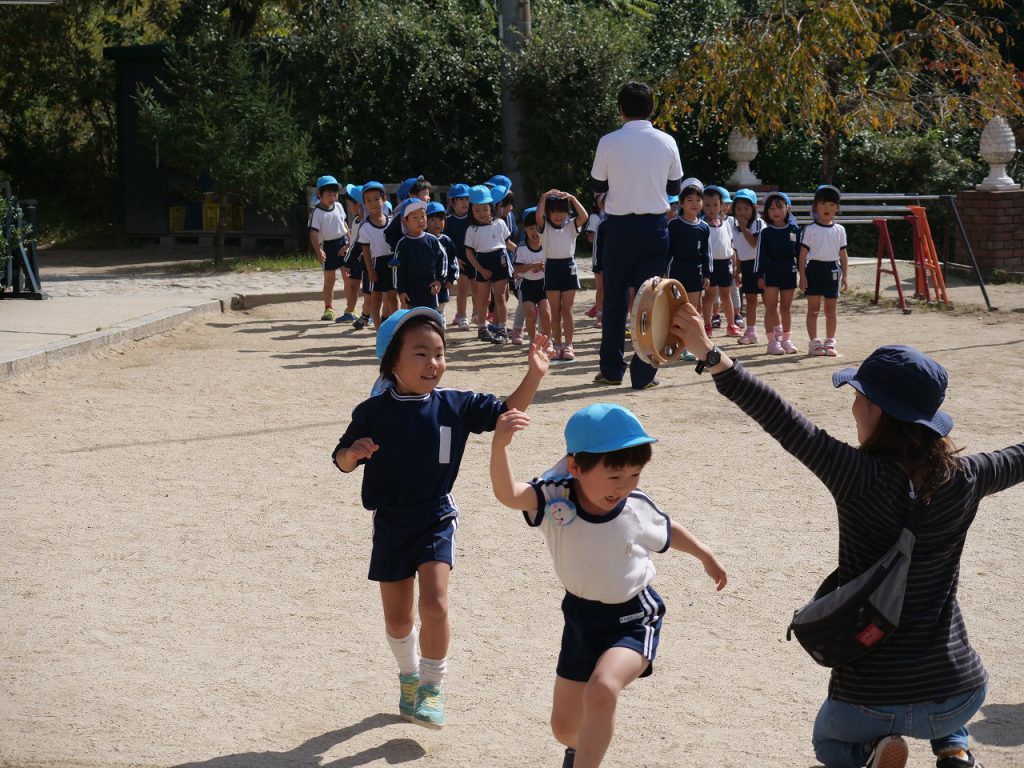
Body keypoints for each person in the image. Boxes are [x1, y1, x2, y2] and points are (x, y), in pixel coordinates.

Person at [670, 301, 1023, 768]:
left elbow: (781, 418)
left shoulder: (856, 475)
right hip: (960, 693)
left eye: (857, 396)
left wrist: (710, 353)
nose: (854, 407)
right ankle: (954, 748)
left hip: (869, 698)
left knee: (831, 742)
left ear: (876, 409)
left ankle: (873, 752)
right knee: (935, 688)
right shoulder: (968, 477)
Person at [332, 308, 550, 730]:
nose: (432, 363)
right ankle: (409, 677)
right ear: (392, 361)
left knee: (434, 604)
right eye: (420, 354)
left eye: (439, 353)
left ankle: (432, 687)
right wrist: (352, 454)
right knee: (398, 620)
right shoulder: (372, 412)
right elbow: (340, 460)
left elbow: (506, 411)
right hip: (391, 521)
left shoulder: (456, 405)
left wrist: (534, 374)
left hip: (436, 515)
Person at [489, 402, 727, 768]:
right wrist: (499, 447)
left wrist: (705, 555)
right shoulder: (554, 496)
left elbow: (667, 530)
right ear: (575, 467)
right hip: (580, 618)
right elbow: (509, 494)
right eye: (614, 476)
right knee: (566, 728)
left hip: (633, 617)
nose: (625, 486)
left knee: (603, 688)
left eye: (634, 475)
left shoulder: (635, 506)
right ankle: (579, 750)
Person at [590, 81, 684, 389]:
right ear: (652, 108)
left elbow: (597, 184)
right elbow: (674, 187)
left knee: (615, 300)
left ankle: (611, 369)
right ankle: (643, 375)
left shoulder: (608, 141)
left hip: (618, 228)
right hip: (655, 228)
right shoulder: (667, 141)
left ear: (620, 109)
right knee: (651, 301)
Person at [537, 189, 587, 361]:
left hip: (568, 268)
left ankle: (569, 345)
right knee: (555, 311)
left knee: (567, 309)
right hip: (552, 268)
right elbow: (538, 216)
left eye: (562, 211)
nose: (558, 215)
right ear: (548, 212)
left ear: (567, 212)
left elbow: (584, 216)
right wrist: (544, 197)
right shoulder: (544, 228)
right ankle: (557, 345)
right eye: (554, 211)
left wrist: (572, 198)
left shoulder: (571, 226)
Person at [800, 184, 849, 357]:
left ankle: (830, 341)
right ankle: (814, 342)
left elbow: (843, 255)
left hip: (832, 270)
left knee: (831, 311)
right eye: (823, 204)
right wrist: (802, 276)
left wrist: (845, 276)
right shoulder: (810, 229)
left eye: (831, 204)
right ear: (816, 207)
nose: (827, 208)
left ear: (837, 208)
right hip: (814, 269)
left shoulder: (840, 230)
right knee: (813, 309)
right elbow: (802, 255)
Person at [464, 184, 518, 344]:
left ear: (491, 208)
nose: (481, 213)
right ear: (471, 210)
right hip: (482, 263)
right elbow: (469, 253)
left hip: (500, 262)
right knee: (483, 299)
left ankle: (502, 329)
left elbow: (508, 243)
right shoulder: (471, 230)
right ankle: (482, 328)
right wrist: (481, 269)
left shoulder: (500, 223)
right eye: (477, 210)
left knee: (500, 297)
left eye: (484, 209)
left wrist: (523, 253)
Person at [666, 178, 710, 362]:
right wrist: (662, 273)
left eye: (698, 200)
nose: (694, 204)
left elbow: (706, 253)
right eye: (690, 200)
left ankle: (687, 347)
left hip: (695, 273)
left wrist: (707, 274)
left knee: (691, 310)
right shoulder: (673, 224)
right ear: (681, 203)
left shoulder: (704, 227)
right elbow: (666, 251)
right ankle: (669, 344)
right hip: (675, 273)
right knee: (672, 310)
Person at [754, 191, 800, 355]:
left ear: (788, 208)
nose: (776, 212)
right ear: (767, 211)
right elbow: (760, 255)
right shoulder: (765, 232)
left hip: (789, 272)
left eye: (779, 207)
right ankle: (772, 342)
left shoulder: (795, 230)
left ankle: (786, 339)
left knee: (786, 308)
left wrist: (803, 274)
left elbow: (800, 254)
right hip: (771, 273)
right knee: (771, 307)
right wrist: (759, 275)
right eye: (772, 208)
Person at [355, 181, 398, 330]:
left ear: (384, 199)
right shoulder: (365, 226)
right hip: (375, 264)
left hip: (392, 263)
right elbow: (365, 251)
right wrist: (370, 271)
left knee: (392, 298)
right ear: (364, 204)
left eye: (376, 199)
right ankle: (379, 330)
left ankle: (395, 327)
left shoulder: (392, 222)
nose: (373, 203)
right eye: (368, 200)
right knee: (376, 298)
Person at [700, 185, 740, 338]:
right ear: (702, 205)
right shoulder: (702, 225)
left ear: (721, 205)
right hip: (710, 265)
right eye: (707, 205)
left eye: (715, 204)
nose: (712, 209)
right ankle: (707, 325)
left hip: (725, 264)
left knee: (726, 295)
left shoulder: (726, 223)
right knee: (709, 296)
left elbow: (731, 247)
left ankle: (731, 325)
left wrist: (734, 266)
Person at [308, 175, 349, 322]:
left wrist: (349, 241)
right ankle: (328, 308)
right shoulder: (317, 212)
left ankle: (350, 308)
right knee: (330, 279)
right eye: (329, 193)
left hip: (342, 244)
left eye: (335, 193)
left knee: (348, 276)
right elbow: (313, 233)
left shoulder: (339, 207)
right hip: (328, 246)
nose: (333, 196)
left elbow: (344, 224)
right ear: (320, 194)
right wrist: (318, 251)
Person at [394, 199, 448, 310]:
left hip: (430, 290)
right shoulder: (402, 244)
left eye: (423, 216)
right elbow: (397, 269)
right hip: (410, 292)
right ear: (405, 220)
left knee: (430, 317)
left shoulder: (432, 240)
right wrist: (401, 290)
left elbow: (443, 259)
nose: (420, 220)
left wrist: (439, 280)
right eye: (415, 217)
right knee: (413, 318)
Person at [513, 206, 553, 350]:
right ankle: (533, 341)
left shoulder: (548, 245)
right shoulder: (522, 248)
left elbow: (554, 265)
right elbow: (516, 269)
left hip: (544, 285)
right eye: (531, 228)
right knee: (530, 313)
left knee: (545, 313)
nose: (534, 232)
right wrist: (531, 266)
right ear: (525, 229)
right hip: (528, 285)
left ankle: (547, 341)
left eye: (537, 228)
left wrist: (545, 268)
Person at [730, 188, 763, 345]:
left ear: (753, 208)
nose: (742, 212)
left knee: (768, 300)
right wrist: (738, 270)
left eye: (746, 208)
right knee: (750, 299)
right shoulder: (734, 226)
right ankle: (751, 332)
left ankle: (776, 332)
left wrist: (744, 228)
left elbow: (754, 243)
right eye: (738, 209)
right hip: (747, 265)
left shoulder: (758, 223)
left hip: (761, 264)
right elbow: (738, 250)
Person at [445, 183, 474, 330]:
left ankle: (477, 314)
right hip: (459, 260)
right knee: (462, 288)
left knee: (477, 288)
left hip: (474, 259)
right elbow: (446, 243)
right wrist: (454, 258)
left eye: (467, 199)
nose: (465, 202)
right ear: (453, 202)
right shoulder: (448, 221)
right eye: (461, 199)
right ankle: (462, 315)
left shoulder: (473, 218)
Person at [426, 201, 459, 321]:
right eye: (432, 220)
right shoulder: (423, 239)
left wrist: (451, 278)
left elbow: (452, 260)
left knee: (440, 306)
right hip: (426, 282)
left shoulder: (446, 241)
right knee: (427, 309)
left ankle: (440, 324)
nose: (437, 223)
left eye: (440, 220)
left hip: (443, 282)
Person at [583, 193, 606, 325]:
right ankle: (599, 315)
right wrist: (601, 234)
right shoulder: (595, 217)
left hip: (613, 257)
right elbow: (590, 238)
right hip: (599, 256)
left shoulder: (617, 216)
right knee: (601, 287)